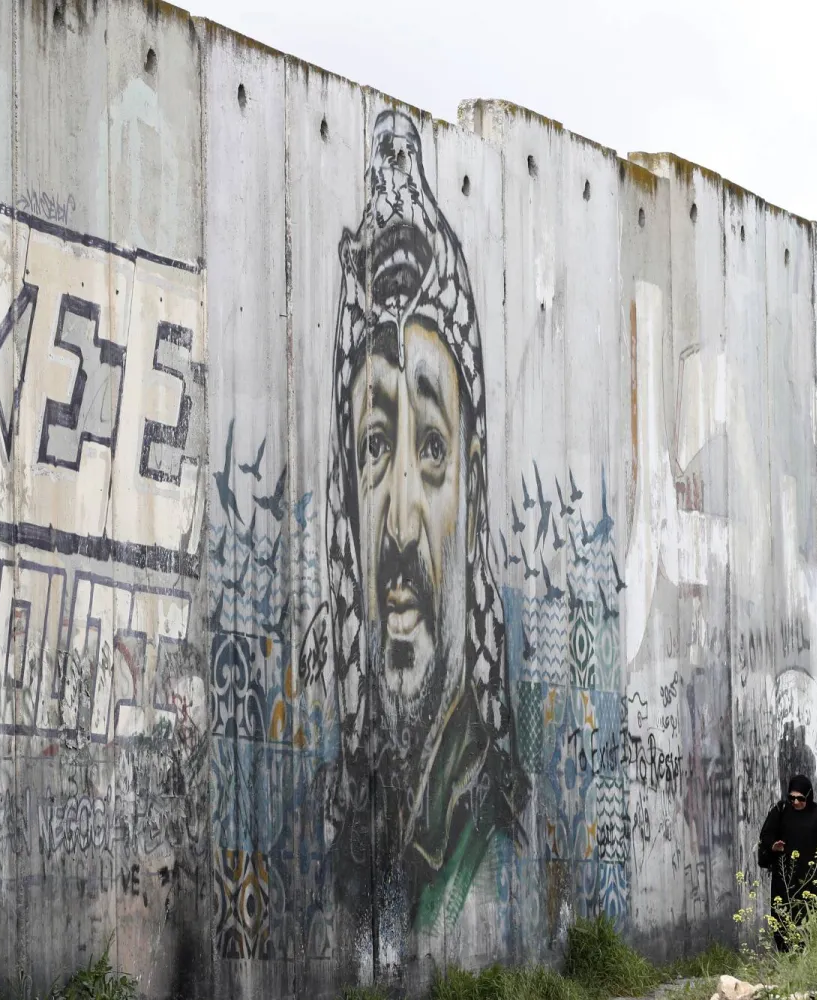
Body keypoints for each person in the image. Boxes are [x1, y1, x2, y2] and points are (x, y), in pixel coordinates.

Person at [301, 108, 527, 942]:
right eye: (372, 445)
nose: (396, 518)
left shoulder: (487, 809)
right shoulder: (344, 811)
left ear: (470, 484)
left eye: (430, 448)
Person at [757, 774, 817, 952]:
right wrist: (774, 846)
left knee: (810, 917)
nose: (795, 802)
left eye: (800, 798)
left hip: (811, 879)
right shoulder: (781, 810)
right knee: (782, 918)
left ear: (809, 796)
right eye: (792, 797)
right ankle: (787, 958)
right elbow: (766, 835)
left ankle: (808, 958)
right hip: (785, 878)